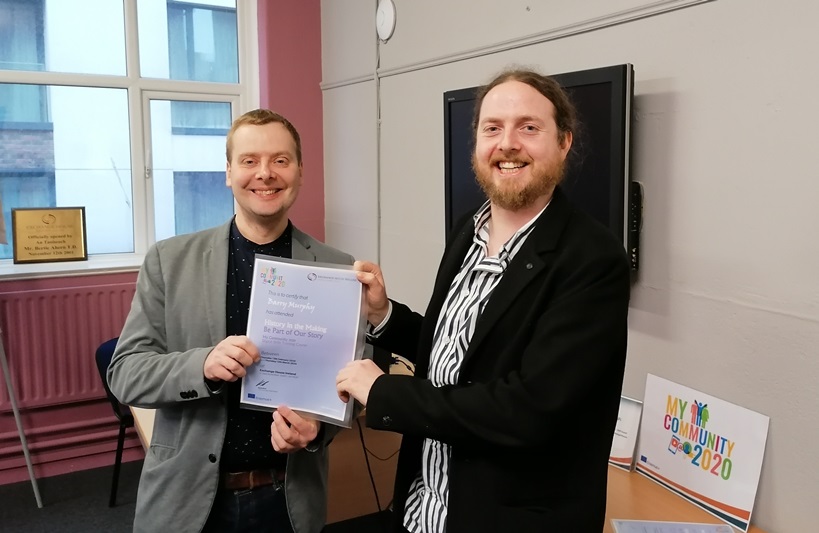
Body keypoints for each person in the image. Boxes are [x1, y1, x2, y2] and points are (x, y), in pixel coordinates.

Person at [336, 69, 631, 533]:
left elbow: (529, 410)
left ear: (564, 142)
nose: (507, 143)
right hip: (423, 512)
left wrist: (385, 392)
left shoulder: (593, 259)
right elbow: (463, 356)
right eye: (492, 128)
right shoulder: (467, 232)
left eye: (528, 127)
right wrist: (384, 315)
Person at [108, 109, 355, 533]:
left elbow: (350, 385)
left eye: (280, 160)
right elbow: (125, 373)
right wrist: (201, 365)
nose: (265, 173)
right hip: (188, 501)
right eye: (249, 161)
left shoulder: (337, 268)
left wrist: (317, 429)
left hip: (288, 499)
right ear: (228, 172)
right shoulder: (170, 261)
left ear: (300, 172)